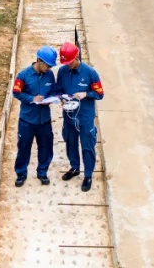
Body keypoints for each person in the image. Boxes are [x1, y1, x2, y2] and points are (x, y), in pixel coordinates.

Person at [55, 41, 104, 192]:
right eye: (65, 63)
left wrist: (86, 94)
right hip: (69, 115)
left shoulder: (90, 73)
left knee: (87, 147)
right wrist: (62, 99)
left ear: (77, 57)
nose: (68, 65)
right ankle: (74, 167)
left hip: (84, 117)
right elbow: (58, 90)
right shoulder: (62, 72)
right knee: (70, 143)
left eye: (70, 62)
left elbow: (100, 94)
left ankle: (88, 174)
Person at [11, 45, 59, 187]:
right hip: (27, 120)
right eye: (47, 65)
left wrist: (49, 99)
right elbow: (16, 92)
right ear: (39, 61)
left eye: (50, 66)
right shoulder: (23, 75)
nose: (49, 68)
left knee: (46, 146)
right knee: (24, 147)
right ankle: (21, 173)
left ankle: (42, 172)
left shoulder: (49, 75)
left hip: (44, 119)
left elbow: (53, 90)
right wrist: (32, 99)